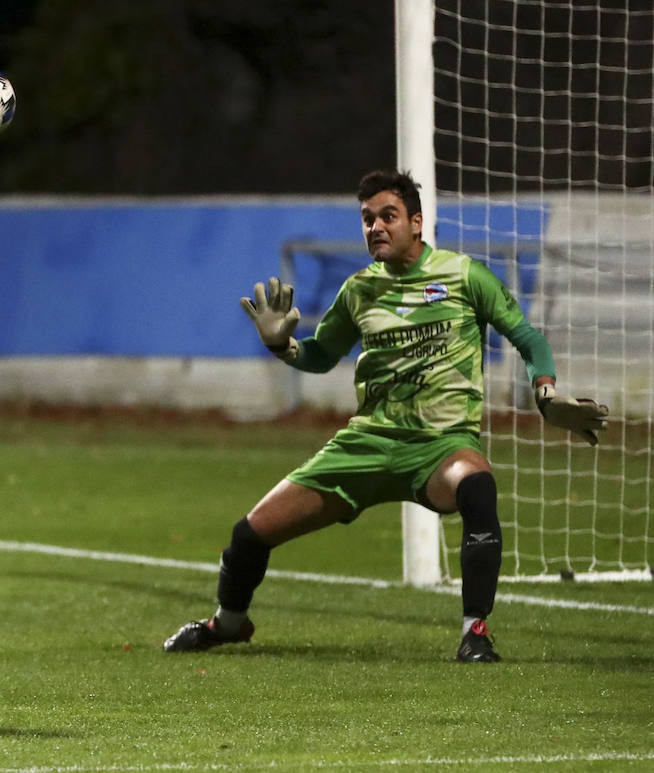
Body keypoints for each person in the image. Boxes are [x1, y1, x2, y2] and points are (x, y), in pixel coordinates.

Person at [164, 169, 609, 662]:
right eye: (367, 219)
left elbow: (528, 339)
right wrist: (281, 345)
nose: (376, 227)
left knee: (478, 486)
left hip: (440, 446)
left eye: (388, 216)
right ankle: (226, 624)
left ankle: (475, 633)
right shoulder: (358, 291)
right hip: (367, 444)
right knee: (250, 534)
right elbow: (320, 355)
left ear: (416, 223)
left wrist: (546, 396)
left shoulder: (465, 276)